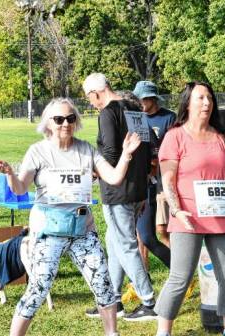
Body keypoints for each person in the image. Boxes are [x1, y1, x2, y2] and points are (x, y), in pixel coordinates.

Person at [0, 98, 143, 336]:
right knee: (39, 287)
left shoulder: (86, 150)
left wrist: (126, 154)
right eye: (59, 119)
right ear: (48, 124)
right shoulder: (38, 151)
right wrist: (9, 174)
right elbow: (19, 188)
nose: (65, 124)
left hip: (82, 229)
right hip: (48, 231)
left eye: (70, 118)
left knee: (103, 283)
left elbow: (113, 178)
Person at [151, 81, 225, 336]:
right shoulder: (175, 137)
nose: (206, 103)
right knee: (180, 277)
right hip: (188, 218)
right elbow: (167, 178)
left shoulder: (222, 136)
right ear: (188, 103)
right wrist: (176, 209)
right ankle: (162, 335)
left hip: (222, 216)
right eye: (200, 98)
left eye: (209, 98)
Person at [82, 73, 157, 321]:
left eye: (89, 97)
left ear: (96, 92)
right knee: (114, 241)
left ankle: (148, 301)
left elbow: (112, 152)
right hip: (137, 187)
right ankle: (112, 299)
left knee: (125, 245)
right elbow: (147, 149)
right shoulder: (135, 109)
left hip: (118, 190)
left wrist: (95, 170)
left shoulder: (108, 113)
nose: (91, 103)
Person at [133, 80, 176, 266]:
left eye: (143, 99)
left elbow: (174, 149)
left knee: (163, 231)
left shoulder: (169, 118)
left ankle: (182, 271)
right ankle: (142, 278)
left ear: (152, 98)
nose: (140, 103)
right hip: (145, 180)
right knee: (141, 234)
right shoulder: (135, 118)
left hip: (164, 180)